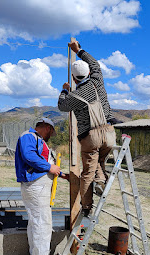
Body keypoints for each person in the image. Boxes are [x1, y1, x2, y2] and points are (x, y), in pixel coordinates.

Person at [58, 39, 116, 216]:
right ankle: (100, 179)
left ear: (74, 79)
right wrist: (79, 50)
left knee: (86, 174)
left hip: (90, 137)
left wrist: (65, 90)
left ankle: (87, 207)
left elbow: (62, 105)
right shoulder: (97, 80)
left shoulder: (75, 95)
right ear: (89, 73)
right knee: (99, 162)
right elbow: (95, 64)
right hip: (109, 133)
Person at [15, 118, 68, 255]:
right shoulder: (29, 136)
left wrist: (62, 174)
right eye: (51, 132)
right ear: (47, 127)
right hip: (36, 186)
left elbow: (46, 164)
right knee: (42, 224)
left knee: (36, 223)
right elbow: (29, 156)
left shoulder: (38, 140)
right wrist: (50, 167)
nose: (51, 135)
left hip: (38, 186)